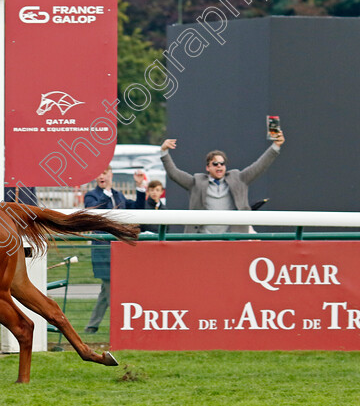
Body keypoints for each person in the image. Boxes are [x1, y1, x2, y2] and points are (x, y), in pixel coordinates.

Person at [160, 131, 285, 233]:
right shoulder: (196, 182)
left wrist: (275, 147)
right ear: (207, 168)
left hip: (232, 240)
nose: (219, 166)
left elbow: (260, 165)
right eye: (215, 164)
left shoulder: (239, 179)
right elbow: (173, 173)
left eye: (222, 163)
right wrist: (164, 152)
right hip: (203, 240)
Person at [83, 166, 146, 334]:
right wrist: (106, 192)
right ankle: (120, 325)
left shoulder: (119, 195)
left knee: (106, 289)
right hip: (102, 249)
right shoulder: (91, 195)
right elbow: (93, 212)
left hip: (118, 249)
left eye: (104, 173)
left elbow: (138, 209)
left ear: (111, 174)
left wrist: (140, 188)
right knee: (111, 286)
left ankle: (91, 327)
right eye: (98, 174)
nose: (101, 177)